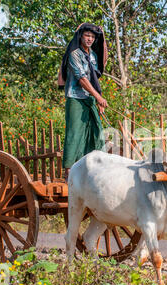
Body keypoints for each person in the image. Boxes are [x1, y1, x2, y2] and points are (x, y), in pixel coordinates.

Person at [59, 23, 108, 182]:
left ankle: (94, 168)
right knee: (74, 133)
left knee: (96, 131)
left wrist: (98, 99)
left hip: (89, 98)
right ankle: (69, 172)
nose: (90, 39)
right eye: (87, 35)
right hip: (75, 97)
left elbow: (93, 78)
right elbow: (82, 79)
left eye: (93, 37)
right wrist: (98, 97)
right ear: (81, 36)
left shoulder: (92, 55)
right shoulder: (74, 54)